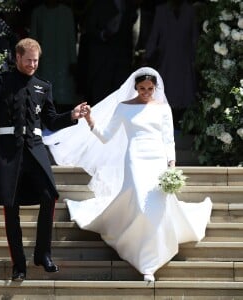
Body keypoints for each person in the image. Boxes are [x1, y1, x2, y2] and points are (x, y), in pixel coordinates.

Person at [43, 67, 212, 282]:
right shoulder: (123, 108)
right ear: (135, 88)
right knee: (141, 202)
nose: (146, 92)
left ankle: (152, 258)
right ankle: (144, 260)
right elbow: (105, 136)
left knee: (157, 205)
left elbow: (168, 139)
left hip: (157, 159)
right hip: (134, 158)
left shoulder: (163, 109)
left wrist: (171, 165)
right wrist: (90, 120)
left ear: (155, 88)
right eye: (142, 88)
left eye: (150, 89)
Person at [0, 38, 87, 281]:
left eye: (36, 61)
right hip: (7, 150)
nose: (32, 65)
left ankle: (42, 254)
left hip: (35, 149)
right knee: (11, 205)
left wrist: (72, 115)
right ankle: (19, 264)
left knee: (49, 195)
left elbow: (49, 120)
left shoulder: (42, 86)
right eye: (28, 60)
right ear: (17, 57)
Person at [145, 0, 198, 129]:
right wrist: (147, 56)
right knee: (166, 93)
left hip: (185, 60)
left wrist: (196, 60)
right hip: (166, 60)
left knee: (184, 93)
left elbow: (194, 38)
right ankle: (165, 126)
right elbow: (154, 35)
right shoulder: (161, 10)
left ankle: (181, 125)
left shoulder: (190, 11)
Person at [30, 0, 78, 113]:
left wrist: (73, 61)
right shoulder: (38, 13)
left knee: (64, 98)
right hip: (44, 61)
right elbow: (33, 40)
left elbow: (71, 38)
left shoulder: (67, 12)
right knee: (44, 96)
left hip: (64, 60)